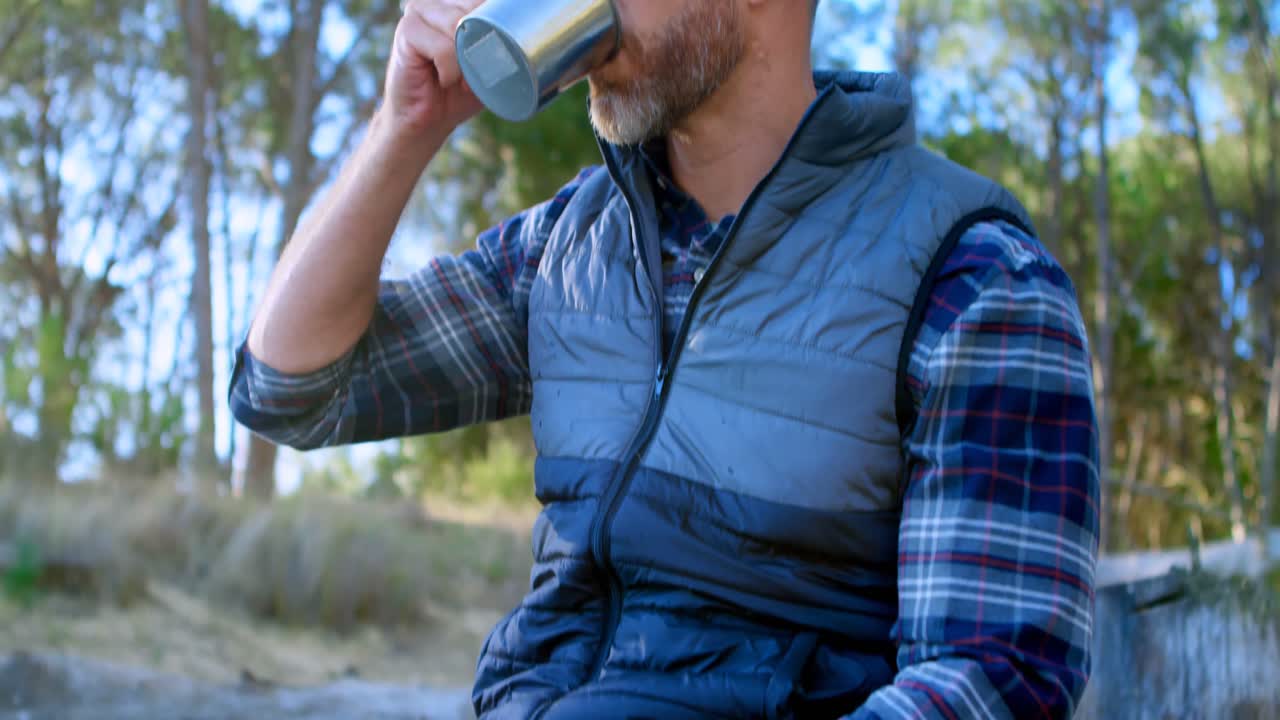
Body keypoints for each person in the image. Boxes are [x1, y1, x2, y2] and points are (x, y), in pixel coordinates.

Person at [229, 0, 1100, 717]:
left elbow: (992, 682)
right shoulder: (569, 248)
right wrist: (405, 125)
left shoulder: (975, 281)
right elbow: (289, 390)